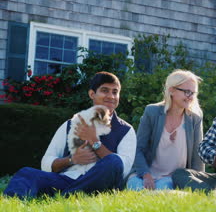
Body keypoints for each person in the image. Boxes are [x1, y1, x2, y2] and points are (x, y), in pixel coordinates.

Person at [3, 72, 136, 199]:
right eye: (105, 90)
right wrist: (71, 160)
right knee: (27, 173)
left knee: (114, 160)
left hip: (100, 185)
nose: (111, 96)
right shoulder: (70, 125)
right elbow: (47, 162)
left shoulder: (126, 130)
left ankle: (63, 198)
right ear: (92, 94)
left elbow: (122, 168)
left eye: (115, 92)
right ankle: (11, 206)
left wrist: (95, 141)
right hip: (67, 180)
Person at [127, 70, 204, 190]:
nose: (191, 97)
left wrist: (197, 184)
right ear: (171, 90)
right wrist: (146, 175)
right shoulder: (152, 112)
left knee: (163, 189)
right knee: (136, 188)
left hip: (172, 178)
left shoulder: (194, 119)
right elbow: (138, 149)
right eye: (187, 92)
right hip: (144, 174)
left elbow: (197, 157)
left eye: (193, 93)